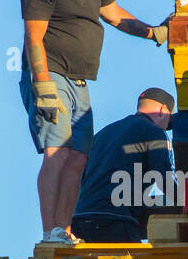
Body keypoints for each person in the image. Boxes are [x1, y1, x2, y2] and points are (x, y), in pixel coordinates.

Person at [19, 0, 169, 246]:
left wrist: (153, 32)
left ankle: (65, 229)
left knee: (79, 156)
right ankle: (50, 232)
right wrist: (41, 83)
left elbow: (114, 15)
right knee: (57, 150)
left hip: (81, 79)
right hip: (51, 73)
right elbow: (34, 36)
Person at [71, 88, 177, 243]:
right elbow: (163, 178)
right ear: (163, 110)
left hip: (80, 221)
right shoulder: (154, 132)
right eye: (168, 123)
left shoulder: (101, 135)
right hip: (114, 221)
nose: (165, 129)